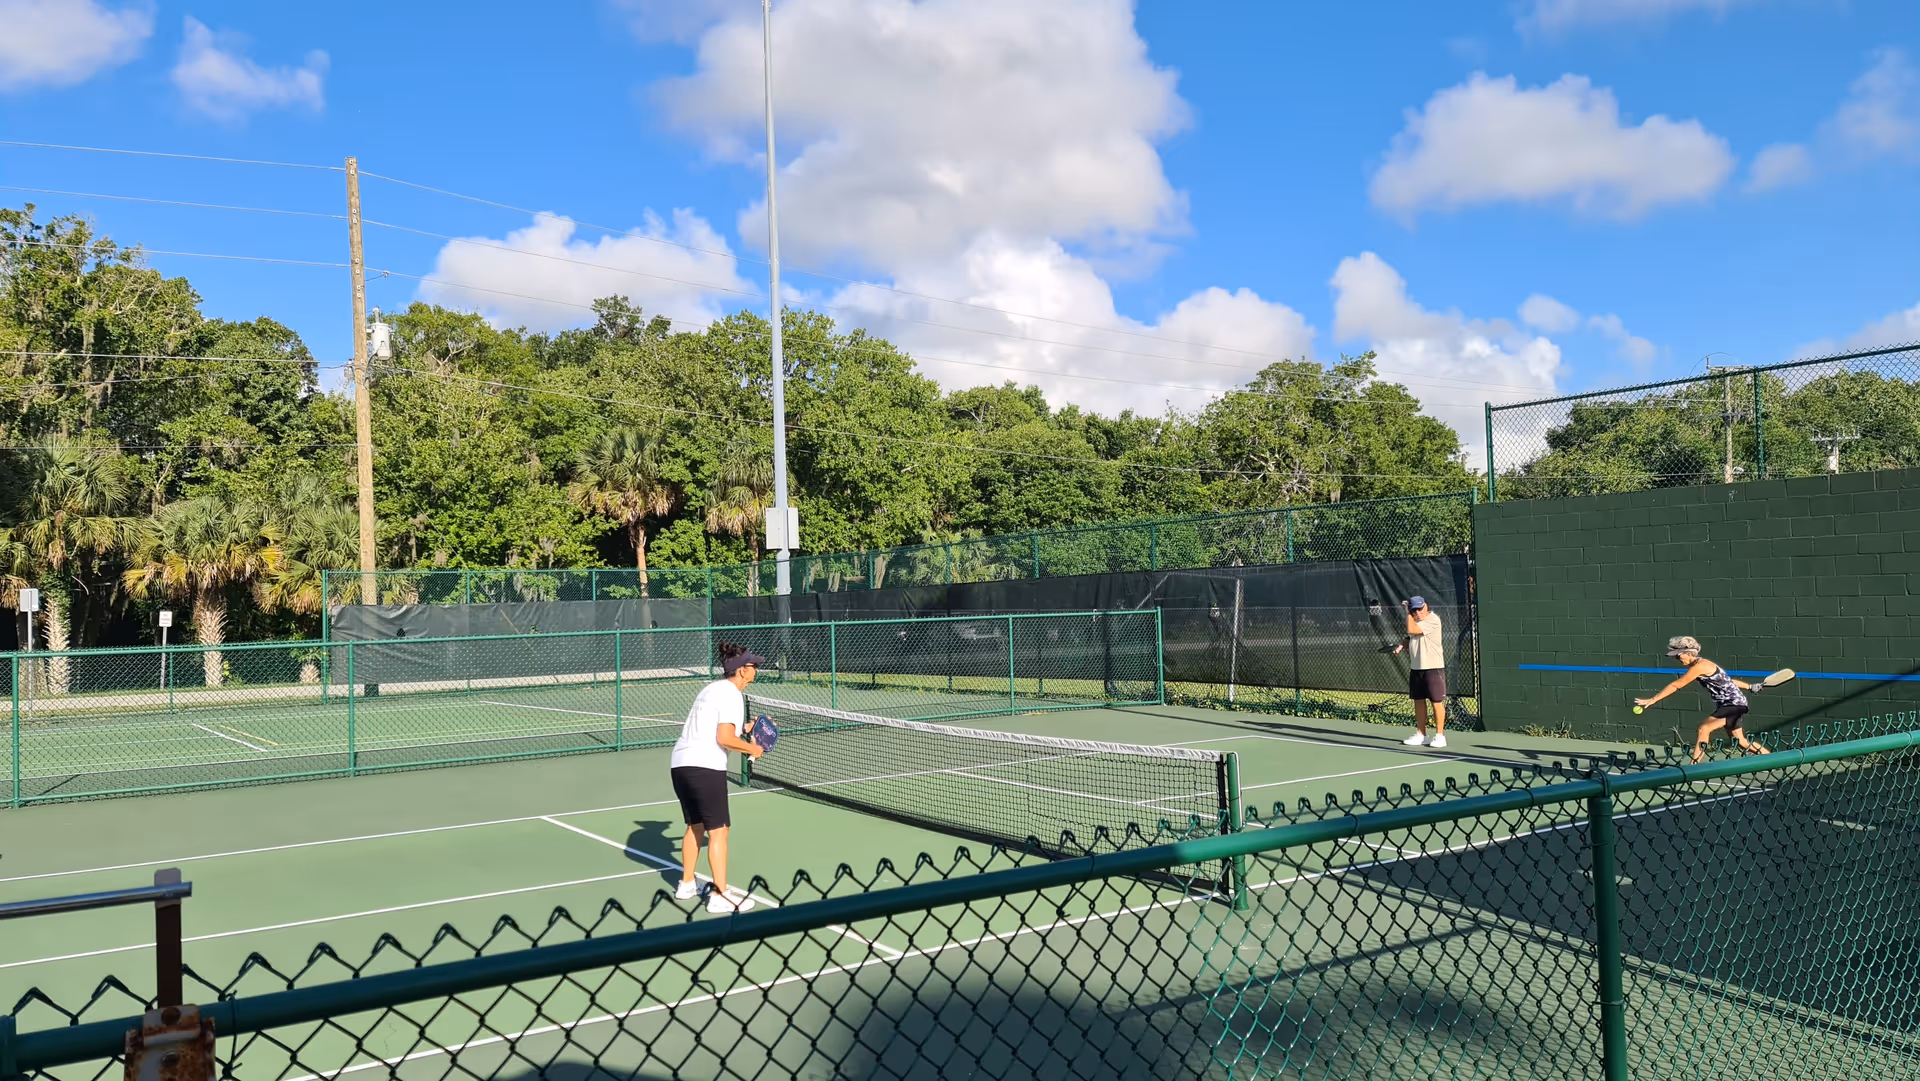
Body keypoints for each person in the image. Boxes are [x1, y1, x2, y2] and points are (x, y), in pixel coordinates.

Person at [670, 642, 766, 914]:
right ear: (742, 670)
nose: (756, 669)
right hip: (705, 766)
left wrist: (747, 729)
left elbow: (719, 728)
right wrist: (752, 747)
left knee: (695, 825)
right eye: (754, 666)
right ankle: (720, 894)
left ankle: (687, 884)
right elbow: (724, 738)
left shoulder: (711, 689)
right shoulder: (732, 694)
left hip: (680, 764)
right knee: (719, 830)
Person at [1634, 636, 1771, 764]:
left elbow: (1677, 685)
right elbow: (1729, 681)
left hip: (1733, 705)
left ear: (1688, 653)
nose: (1677, 658)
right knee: (1740, 741)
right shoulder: (1703, 665)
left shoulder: (1700, 666)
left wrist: (1653, 699)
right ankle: (1772, 759)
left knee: (1704, 729)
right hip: (1730, 705)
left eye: (1678, 655)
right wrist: (1750, 686)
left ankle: (1694, 766)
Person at [1393, 596, 1448, 749]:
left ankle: (1440, 736)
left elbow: (1412, 630)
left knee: (1436, 702)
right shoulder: (1415, 621)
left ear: (1426, 606)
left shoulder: (1433, 619)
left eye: (1419, 609)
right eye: (1414, 610)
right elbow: (1409, 636)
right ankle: (1421, 734)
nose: (1417, 613)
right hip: (1416, 668)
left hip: (1433, 667)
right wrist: (1402, 645)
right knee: (1418, 701)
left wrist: (1407, 612)